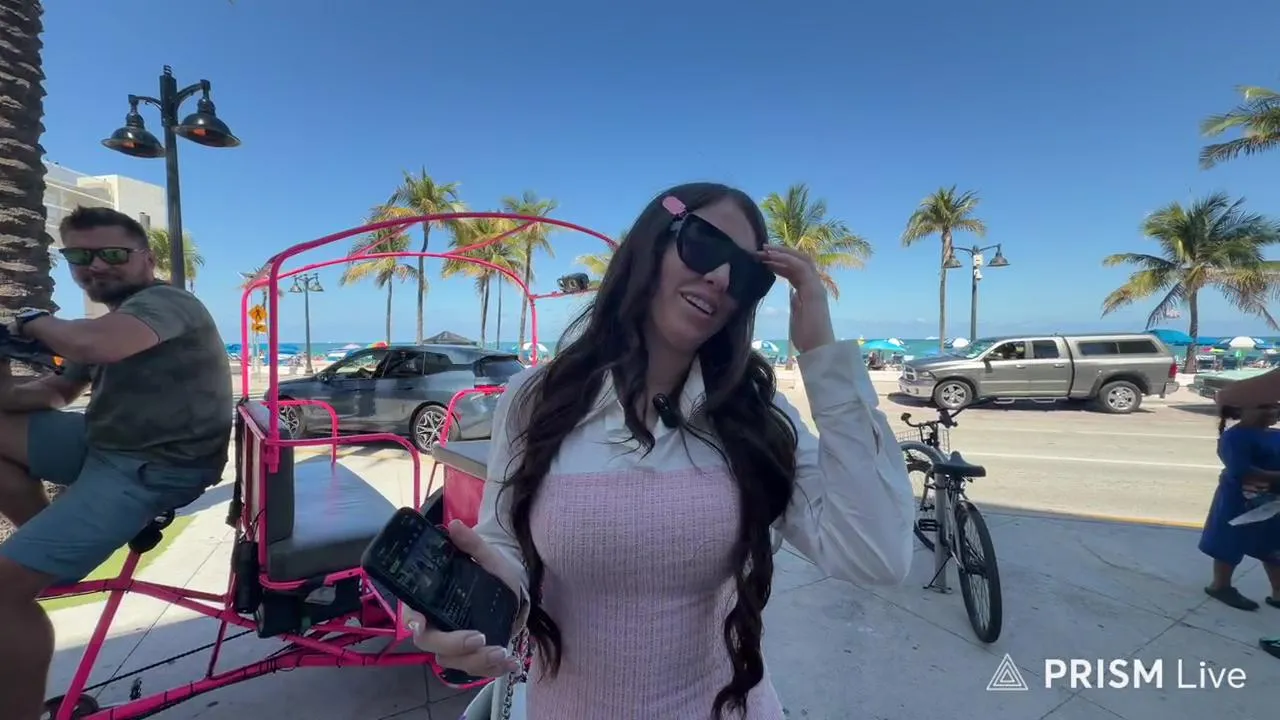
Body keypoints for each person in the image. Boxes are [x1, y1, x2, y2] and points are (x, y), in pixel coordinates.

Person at [408, 183, 914, 719]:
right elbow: (504, 542)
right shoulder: (537, 400)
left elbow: (876, 554)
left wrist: (823, 355)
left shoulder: (756, 415)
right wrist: (480, 609)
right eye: (705, 244)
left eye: (747, 274)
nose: (721, 278)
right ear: (652, 240)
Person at [0, 206, 232, 719]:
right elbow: (55, 392)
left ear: (147, 259)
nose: (97, 266)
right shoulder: (108, 323)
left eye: (112, 254)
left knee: (2, 594)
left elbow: (98, 346)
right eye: (81, 257)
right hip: (106, 445)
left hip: (154, 469)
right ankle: (50, 552)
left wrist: (34, 321)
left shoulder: (166, 303)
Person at [1199, 404, 1280, 610]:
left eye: (1275, 407)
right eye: (1263, 407)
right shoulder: (1235, 437)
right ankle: (1221, 586)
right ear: (1241, 410)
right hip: (1239, 501)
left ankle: (1278, 592)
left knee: (1273, 545)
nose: (1272, 412)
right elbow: (1242, 470)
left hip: (1272, 501)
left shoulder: (1273, 434)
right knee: (1230, 543)